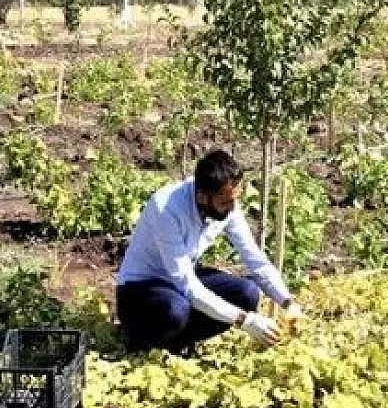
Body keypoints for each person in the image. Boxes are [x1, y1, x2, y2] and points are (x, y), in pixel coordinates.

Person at [114, 148, 303, 354]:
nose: (233, 208)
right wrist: (245, 320)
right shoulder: (166, 208)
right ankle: (142, 340)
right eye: (225, 202)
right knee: (176, 310)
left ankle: (177, 343)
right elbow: (188, 286)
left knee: (247, 293)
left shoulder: (227, 204)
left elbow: (254, 258)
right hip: (140, 291)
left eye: (234, 200)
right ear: (203, 197)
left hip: (180, 284)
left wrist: (287, 302)